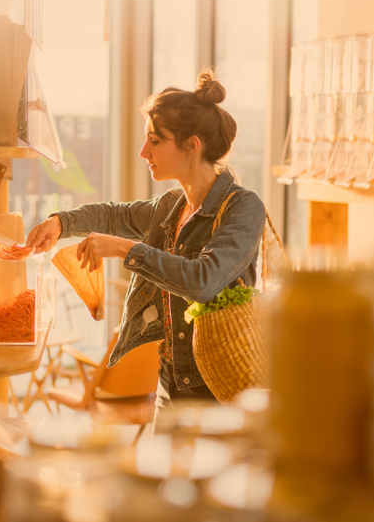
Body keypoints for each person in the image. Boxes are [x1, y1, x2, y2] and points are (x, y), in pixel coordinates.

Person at [24, 68, 266, 423]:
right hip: (170, 386)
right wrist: (61, 223)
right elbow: (112, 215)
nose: (143, 151)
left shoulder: (244, 208)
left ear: (191, 145)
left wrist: (124, 250)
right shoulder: (171, 207)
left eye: (155, 140)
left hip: (219, 395)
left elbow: (203, 280)